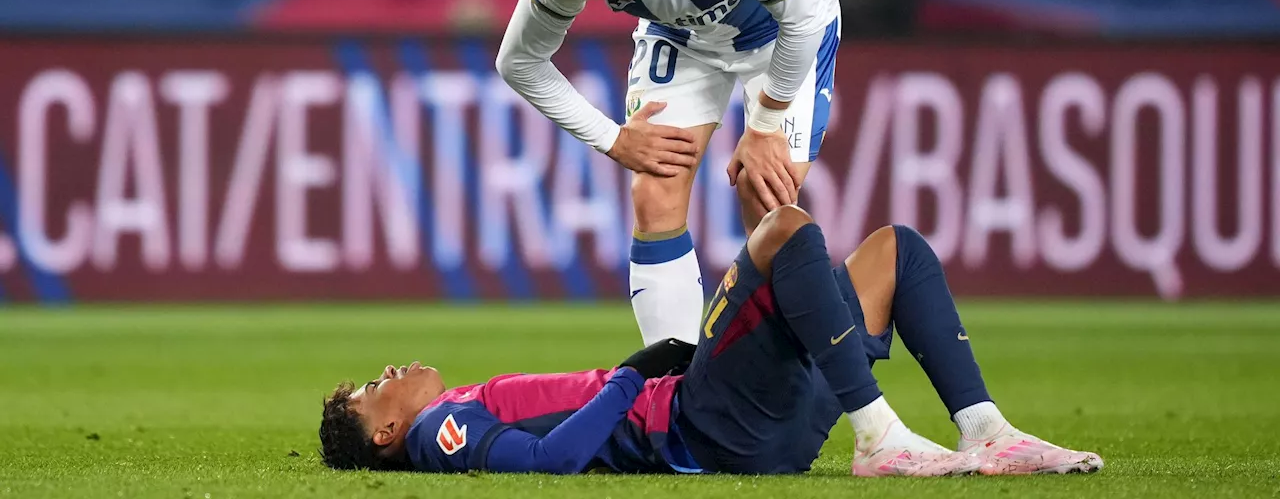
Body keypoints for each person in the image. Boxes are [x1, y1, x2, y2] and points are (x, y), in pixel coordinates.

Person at [319, 205, 1104, 477]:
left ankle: (986, 431)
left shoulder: (453, 410)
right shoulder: (441, 431)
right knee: (784, 230)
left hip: (754, 422)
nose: (384, 372)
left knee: (894, 252)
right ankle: (879, 438)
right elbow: (551, 462)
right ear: (387, 430)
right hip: (704, 422)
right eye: (370, 388)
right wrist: (631, 378)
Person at [497, 0, 844, 348]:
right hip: (684, 37)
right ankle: (675, 393)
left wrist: (763, 125)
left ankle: (782, 391)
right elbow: (519, 61)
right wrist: (612, 138)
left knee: (765, 195)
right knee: (654, 190)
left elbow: (803, 19)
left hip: (782, 31)